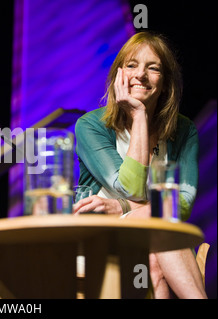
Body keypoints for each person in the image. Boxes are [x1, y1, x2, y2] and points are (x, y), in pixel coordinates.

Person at [73, 32, 207, 298]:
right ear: (118, 74)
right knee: (161, 223)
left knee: (158, 244)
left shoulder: (184, 130)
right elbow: (131, 188)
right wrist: (139, 114)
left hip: (158, 242)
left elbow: (183, 203)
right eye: (132, 65)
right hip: (100, 237)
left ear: (166, 81)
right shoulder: (90, 126)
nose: (141, 75)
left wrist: (121, 206)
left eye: (153, 68)